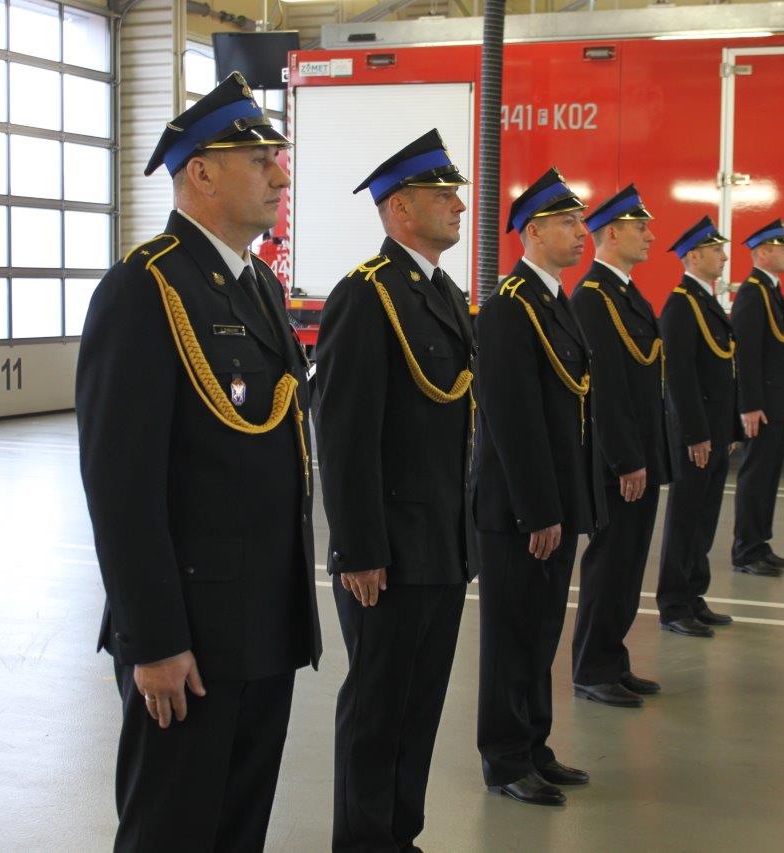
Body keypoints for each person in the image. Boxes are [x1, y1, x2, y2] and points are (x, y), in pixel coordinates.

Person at [75, 71, 321, 852]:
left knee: (237, 830)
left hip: (263, 621)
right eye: (261, 161)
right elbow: (121, 486)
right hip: (191, 633)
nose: (279, 176)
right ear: (203, 173)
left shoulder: (257, 287)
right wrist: (152, 639)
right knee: (171, 830)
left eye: (276, 160)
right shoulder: (146, 288)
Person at [314, 129, 475, 852]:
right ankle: (362, 841)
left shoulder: (442, 294)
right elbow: (344, 433)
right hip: (388, 549)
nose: (460, 206)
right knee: (378, 708)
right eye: (444, 196)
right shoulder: (367, 294)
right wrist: (358, 548)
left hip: (442, 540)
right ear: (401, 208)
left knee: (420, 705)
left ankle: (398, 835)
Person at [473, 168, 605, 807]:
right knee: (511, 636)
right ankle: (504, 758)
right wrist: (539, 511)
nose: (581, 233)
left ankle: (534, 746)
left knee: (542, 631)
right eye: (568, 223)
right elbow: (512, 418)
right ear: (532, 232)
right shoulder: (509, 307)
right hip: (519, 510)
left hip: (553, 501)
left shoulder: (552, 300)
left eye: (580, 222)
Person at [568, 185, 671, 708]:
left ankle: (613, 659)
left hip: (642, 456)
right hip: (619, 463)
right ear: (612, 233)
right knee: (610, 566)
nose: (650, 236)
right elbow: (604, 391)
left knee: (629, 566)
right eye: (640, 227)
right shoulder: (593, 299)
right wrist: (627, 459)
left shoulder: (626, 294)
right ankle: (592, 668)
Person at [655, 216, 738, 639]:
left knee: (705, 519)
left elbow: (725, 371)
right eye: (716, 250)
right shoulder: (681, 305)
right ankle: (673, 604)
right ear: (693, 257)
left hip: (715, 431)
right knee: (686, 519)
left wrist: (730, 430)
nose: (724, 257)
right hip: (696, 435)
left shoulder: (706, 301)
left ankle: (693, 595)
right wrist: (695, 435)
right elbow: (680, 378)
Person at [731, 219, 784, 577]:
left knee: (768, 476)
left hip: (775, 403)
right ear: (762, 253)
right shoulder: (752, 293)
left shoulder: (770, 290)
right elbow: (745, 354)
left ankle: (760, 543)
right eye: (782, 248)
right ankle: (745, 550)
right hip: (762, 406)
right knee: (756, 475)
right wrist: (750, 405)